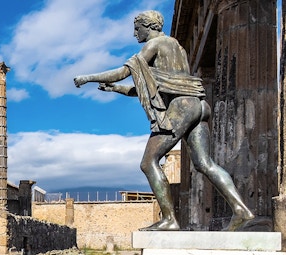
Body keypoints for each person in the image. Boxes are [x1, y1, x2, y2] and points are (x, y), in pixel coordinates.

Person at [73, 10, 254, 231]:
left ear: (148, 26)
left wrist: (88, 78)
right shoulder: (178, 48)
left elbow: (122, 72)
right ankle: (241, 209)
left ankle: (169, 219)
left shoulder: (154, 45)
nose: (134, 33)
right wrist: (116, 90)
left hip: (181, 108)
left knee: (148, 162)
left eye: (136, 28)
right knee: (204, 164)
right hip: (199, 105)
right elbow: (155, 87)